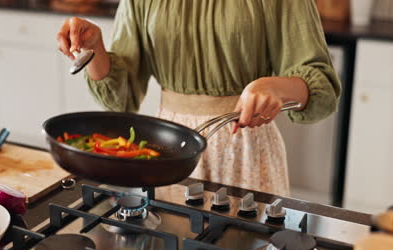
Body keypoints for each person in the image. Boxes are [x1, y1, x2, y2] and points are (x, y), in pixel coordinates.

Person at [56, 0, 341, 196]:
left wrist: (275, 87)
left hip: (245, 149)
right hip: (168, 150)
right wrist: (94, 51)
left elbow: (321, 86)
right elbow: (121, 98)